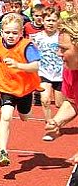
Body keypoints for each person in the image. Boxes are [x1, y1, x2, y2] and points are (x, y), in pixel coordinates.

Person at [41, 15, 78, 186]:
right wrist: (58, 121)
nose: (59, 54)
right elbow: (73, 101)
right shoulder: (70, 70)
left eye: (64, 49)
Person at [0, 13, 41, 167]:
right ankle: (2, 151)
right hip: (6, 87)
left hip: (24, 89)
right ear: (2, 32)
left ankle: (26, 109)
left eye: (14, 33)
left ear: (21, 33)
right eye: (7, 32)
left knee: (24, 117)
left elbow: (36, 66)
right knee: (6, 116)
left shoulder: (27, 46)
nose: (10, 36)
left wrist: (18, 65)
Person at [33, 8, 65, 140]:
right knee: (45, 100)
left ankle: (58, 123)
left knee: (59, 104)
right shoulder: (37, 37)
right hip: (44, 73)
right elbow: (32, 54)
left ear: (58, 21)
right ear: (42, 21)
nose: (50, 23)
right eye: (48, 20)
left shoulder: (63, 37)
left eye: (53, 20)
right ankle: (50, 127)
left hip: (60, 74)